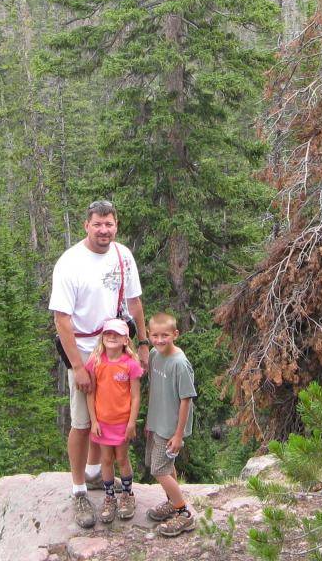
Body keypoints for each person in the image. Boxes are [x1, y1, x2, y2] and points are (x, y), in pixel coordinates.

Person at [50, 200, 150, 529]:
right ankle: (79, 489)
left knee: (107, 414)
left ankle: (95, 474)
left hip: (114, 346)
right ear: (86, 225)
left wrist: (144, 343)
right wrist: (78, 367)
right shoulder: (70, 263)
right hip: (81, 348)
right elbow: (62, 319)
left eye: (109, 224)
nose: (103, 230)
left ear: (116, 225)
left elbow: (134, 302)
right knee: (82, 421)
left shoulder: (123, 256)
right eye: (97, 225)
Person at [143, 312, 197, 536]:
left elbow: (186, 401)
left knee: (158, 469)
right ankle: (171, 502)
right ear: (149, 334)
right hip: (158, 422)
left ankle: (183, 512)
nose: (159, 339)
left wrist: (178, 434)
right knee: (166, 467)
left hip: (171, 428)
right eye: (155, 335)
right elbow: (156, 391)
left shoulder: (180, 364)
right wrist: (150, 421)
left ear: (175, 334)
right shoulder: (155, 355)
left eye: (165, 335)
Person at [85, 318, 143, 524]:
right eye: (108, 333)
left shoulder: (130, 365)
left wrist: (131, 423)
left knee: (122, 459)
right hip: (102, 422)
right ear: (103, 337)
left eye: (116, 335)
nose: (111, 337)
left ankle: (127, 495)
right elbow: (90, 393)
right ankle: (110, 497)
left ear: (125, 340)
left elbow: (135, 396)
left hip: (122, 422)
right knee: (106, 460)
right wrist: (93, 421)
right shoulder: (96, 362)